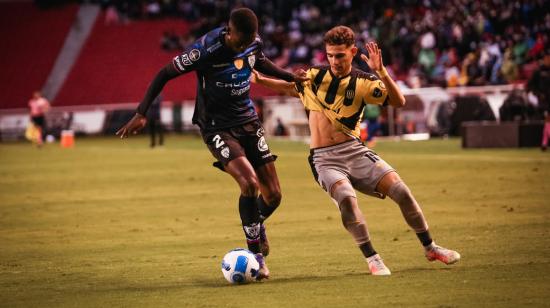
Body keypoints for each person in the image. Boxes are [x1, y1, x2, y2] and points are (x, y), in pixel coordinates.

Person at [116, 8, 308, 280]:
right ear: (229, 32)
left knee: (274, 196)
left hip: (248, 121)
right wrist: (141, 113)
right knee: (250, 184)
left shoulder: (252, 42)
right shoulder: (205, 50)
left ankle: (254, 224)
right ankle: (256, 255)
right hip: (217, 126)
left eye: (248, 42)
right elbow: (164, 74)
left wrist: (291, 76)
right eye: (240, 42)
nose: (244, 46)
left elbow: (259, 61)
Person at [252, 26, 460, 276]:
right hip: (324, 159)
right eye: (330, 55)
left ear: (352, 52)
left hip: (354, 150)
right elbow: (290, 88)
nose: (334, 61)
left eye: (339, 55)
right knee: (347, 198)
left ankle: (430, 247)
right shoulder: (314, 76)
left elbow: (398, 102)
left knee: (401, 190)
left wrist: (381, 71)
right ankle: (373, 258)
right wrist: (261, 80)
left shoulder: (364, 82)